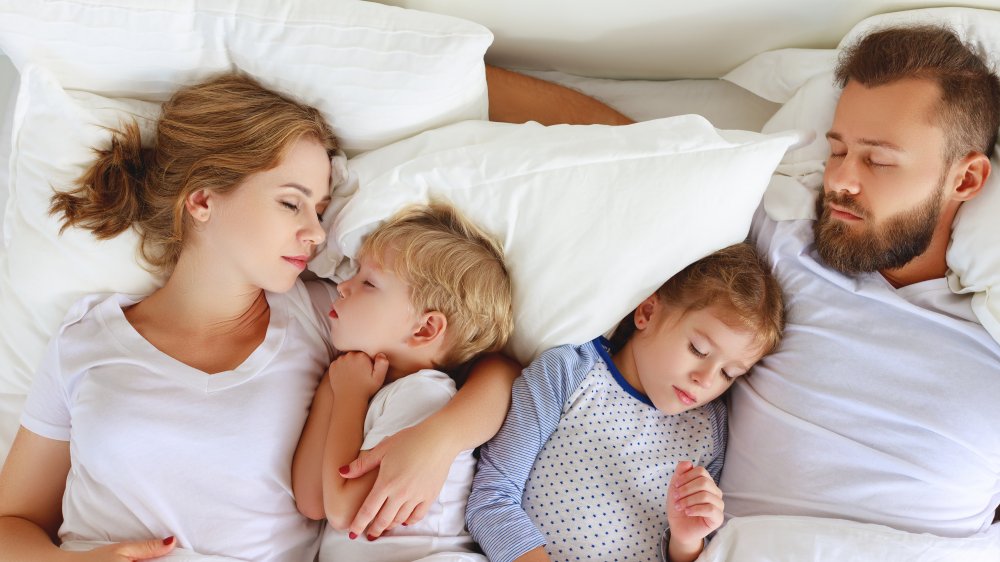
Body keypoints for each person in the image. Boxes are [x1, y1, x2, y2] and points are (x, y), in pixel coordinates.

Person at [487, 24, 1000, 537]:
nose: (840, 180)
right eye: (838, 151)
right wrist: (460, 74)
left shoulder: (989, 340)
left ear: (966, 179)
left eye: (879, 160)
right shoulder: (784, 249)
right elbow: (632, 151)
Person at [0, 73, 519, 561]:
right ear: (202, 200)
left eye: (319, 209)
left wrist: (442, 439)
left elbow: (493, 367)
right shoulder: (87, 340)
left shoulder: (326, 317)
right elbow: (12, 522)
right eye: (292, 204)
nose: (316, 233)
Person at [467, 243, 785, 562]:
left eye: (728, 374)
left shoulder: (709, 429)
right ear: (647, 313)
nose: (706, 379)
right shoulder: (569, 372)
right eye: (699, 350)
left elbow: (694, 550)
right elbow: (491, 497)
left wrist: (687, 541)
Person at [292, 203, 513, 562]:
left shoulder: (426, 393)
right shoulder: (368, 390)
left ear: (424, 328)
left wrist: (348, 396)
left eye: (368, 282)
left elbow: (346, 511)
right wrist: (333, 392)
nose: (343, 287)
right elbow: (311, 500)